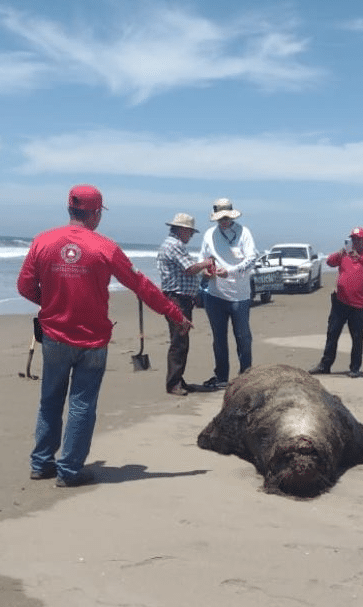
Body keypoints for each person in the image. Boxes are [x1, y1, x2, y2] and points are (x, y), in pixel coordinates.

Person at [18, 185, 192, 487]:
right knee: (81, 404)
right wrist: (175, 315)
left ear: (70, 209)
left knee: (50, 399)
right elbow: (141, 285)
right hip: (91, 341)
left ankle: (41, 464)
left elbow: (25, 286)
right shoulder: (106, 248)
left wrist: (52, 305)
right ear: (96, 213)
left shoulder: (42, 241)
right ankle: (69, 471)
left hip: (55, 336)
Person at [198, 197, 258, 390]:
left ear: (231, 216)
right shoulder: (209, 234)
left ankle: (246, 375)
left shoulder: (244, 233)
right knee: (219, 338)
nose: (223, 221)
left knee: (243, 336)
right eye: (220, 218)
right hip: (215, 295)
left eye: (226, 217)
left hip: (239, 295)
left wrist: (229, 271)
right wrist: (204, 270)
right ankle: (222, 376)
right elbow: (203, 258)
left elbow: (251, 259)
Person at [156, 212, 218, 396]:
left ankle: (177, 379)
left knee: (181, 339)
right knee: (179, 340)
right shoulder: (174, 245)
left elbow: (187, 271)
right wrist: (206, 263)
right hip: (177, 299)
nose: (190, 236)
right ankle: (173, 383)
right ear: (182, 230)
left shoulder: (173, 245)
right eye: (190, 232)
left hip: (179, 298)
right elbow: (189, 268)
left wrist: (202, 271)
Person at [308, 226, 363, 378]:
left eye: (358, 239)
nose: (355, 242)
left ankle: (355, 368)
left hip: (359, 306)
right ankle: (325, 365)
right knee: (332, 335)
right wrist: (340, 253)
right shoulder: (344, 254)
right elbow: (329, 262)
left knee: (357, 338)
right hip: (340, 303)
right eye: (353, 239)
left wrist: (359, 258)